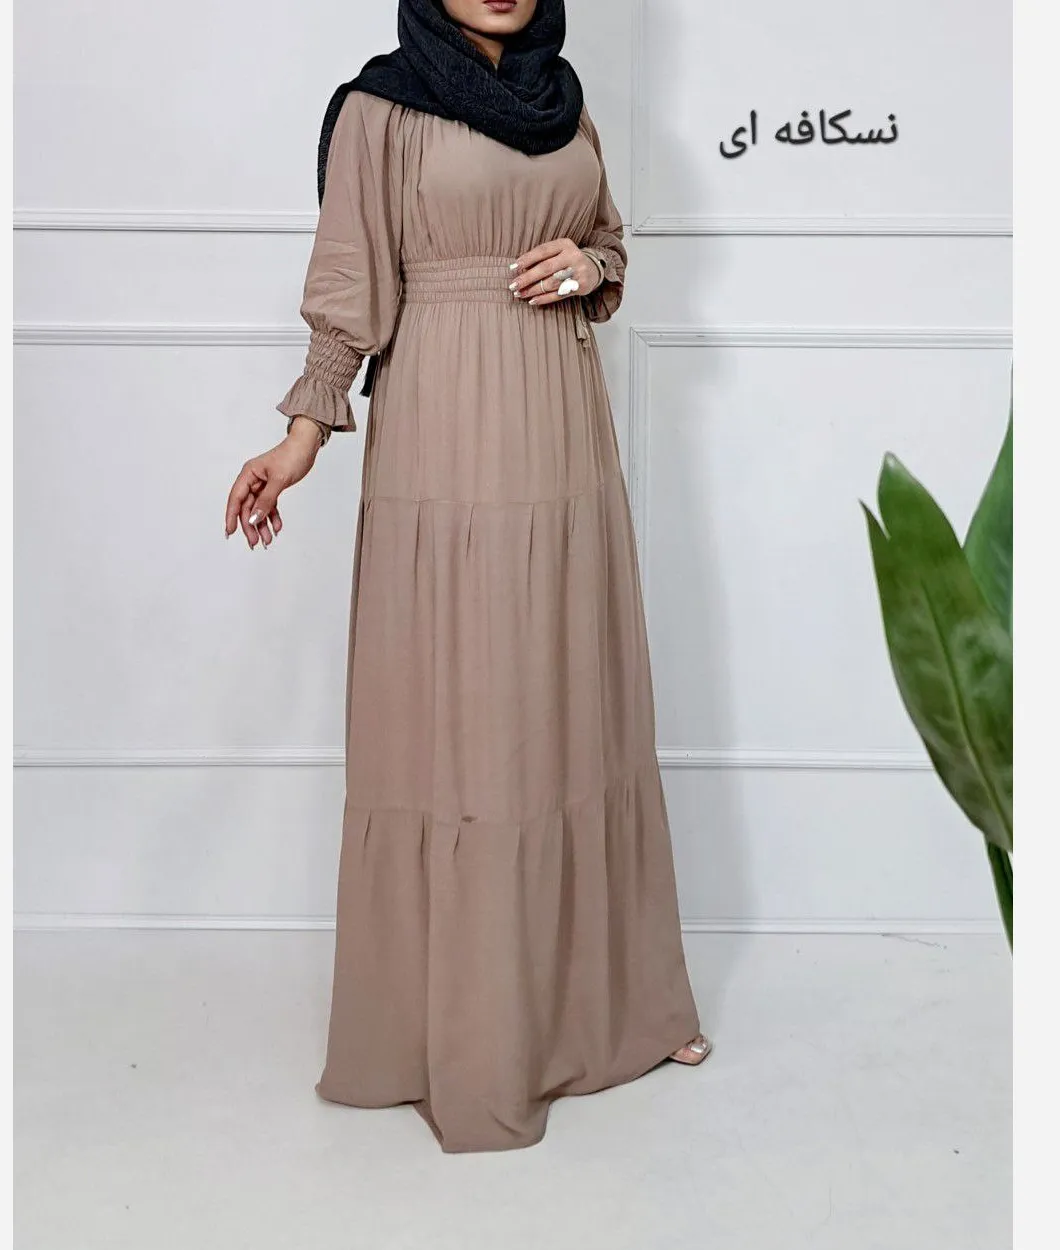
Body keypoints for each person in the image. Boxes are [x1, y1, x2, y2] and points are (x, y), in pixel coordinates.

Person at [224, 0, 710, 1154]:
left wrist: (587, 263)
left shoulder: (565, 101)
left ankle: (608, 1008)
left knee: (565, 704)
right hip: (444, 420)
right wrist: (300, 436)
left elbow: (607, 242)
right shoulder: (381, 107)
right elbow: (349, 280)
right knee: (470, 714)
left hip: (563, 426)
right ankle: (471, 1033)